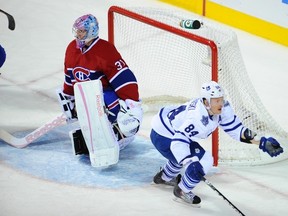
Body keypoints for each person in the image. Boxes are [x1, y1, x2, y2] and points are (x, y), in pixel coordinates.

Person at [150, 81, 283, 206]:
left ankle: (163, 177)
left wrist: (261, 142)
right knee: (205, 160)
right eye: (216, 100)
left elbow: (236, 129)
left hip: (167, 128)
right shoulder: (197, 118)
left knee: (186, 155)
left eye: (221, 99)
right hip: (163, 136)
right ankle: (182, 190)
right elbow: (178, 142)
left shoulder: (222, 108)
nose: (220, 103)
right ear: (206, 102)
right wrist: (189, 162)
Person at [58, 14, 143, 156]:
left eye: (82, 31)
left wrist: (131, 103)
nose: (78, 34)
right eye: (77, 31)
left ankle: (121, 135)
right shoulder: (72, 48)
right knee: (87, 108)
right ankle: (96, 132)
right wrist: (69, 98)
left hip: (104, 95)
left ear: (92, 31)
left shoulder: (105, 50)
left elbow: (123, 77)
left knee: (111, 104)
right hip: (85, 97)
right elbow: (69, 75)